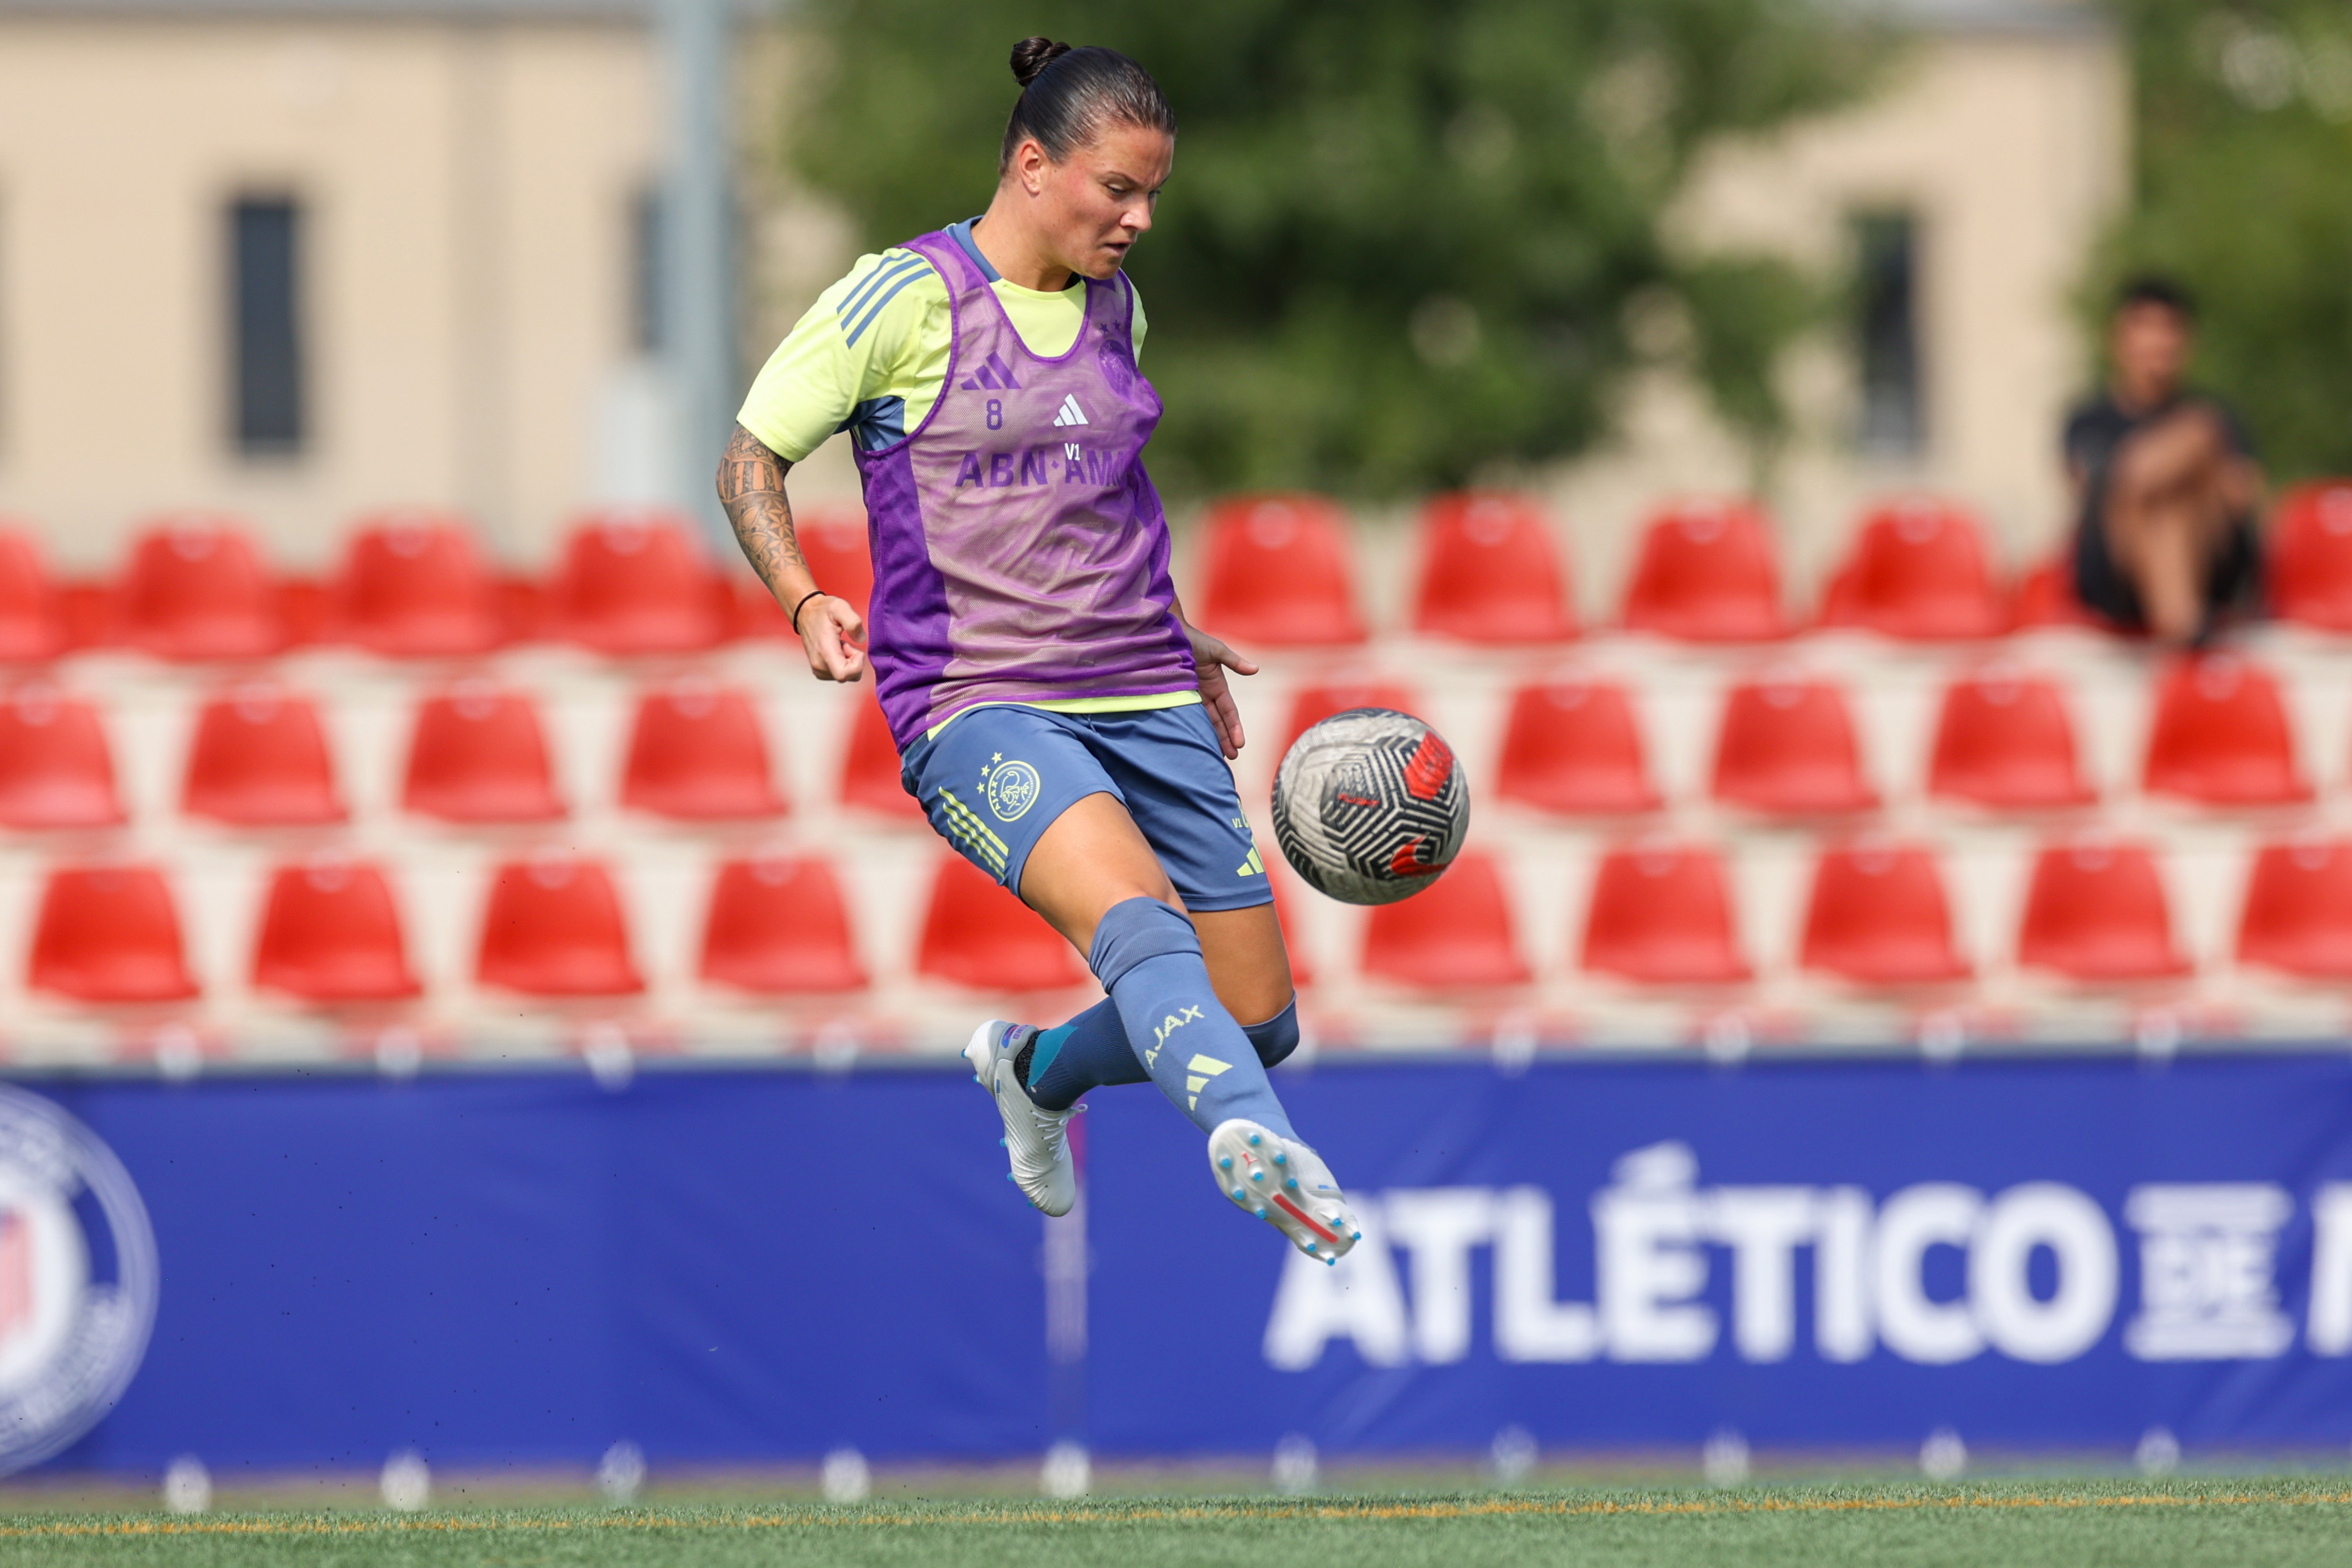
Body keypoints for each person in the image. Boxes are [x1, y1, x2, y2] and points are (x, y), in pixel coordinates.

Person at [717, 37, 1358, 1263]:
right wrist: (803, 598)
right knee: (1145, 929)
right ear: (1029, 164)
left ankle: (1036, 1071)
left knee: (1255, 1015)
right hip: (981, 698)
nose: (1141, 219)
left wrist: (1181, 636)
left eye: (1152, 194)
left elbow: (1104, 494)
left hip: (1146, 679)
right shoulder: (898, 297)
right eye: (1119, 189)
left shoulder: (1118, 305)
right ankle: (1262, 1144)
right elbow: (749, 457)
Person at [2064, 276, 2264, 644]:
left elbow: (2240, 501)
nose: (2157, 343)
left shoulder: (2215, 417)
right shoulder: (2088, 421)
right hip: (2122, 569)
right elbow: (2091, 501)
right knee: (2174, 469)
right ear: (2117, 339)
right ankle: (2184, 626)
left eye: (2168, 329)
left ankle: (2177, 622)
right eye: (2144, 328)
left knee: (2192, 449)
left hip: (2208, 560)